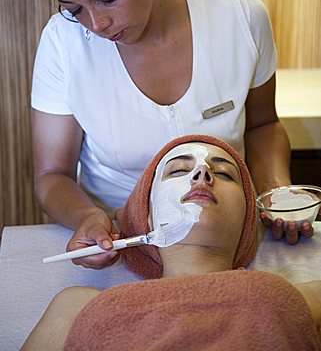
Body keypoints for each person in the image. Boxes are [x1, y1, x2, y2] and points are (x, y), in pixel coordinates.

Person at [32, 0, 311, 272]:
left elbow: (263, 126)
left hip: (222, 243)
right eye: (74, 9)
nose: (96, 24)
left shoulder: (240, 16)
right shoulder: (63, 42)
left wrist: (274, 194)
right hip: (120, 245)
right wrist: (87, 218)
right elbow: (51, 173)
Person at [22, 135, 321, 350]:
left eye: (225, 174)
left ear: (247, 219)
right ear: (147, 218)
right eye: (179, 170)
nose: (202, 173)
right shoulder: (75, 305)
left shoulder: (292, 297)